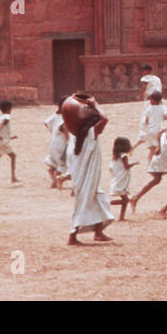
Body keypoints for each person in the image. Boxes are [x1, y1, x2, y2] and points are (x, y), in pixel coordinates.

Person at [66, 98, 114, 243]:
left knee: (100, 200)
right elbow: (105, 119)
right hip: (86, 181)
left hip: (83, 180)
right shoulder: (90, 134)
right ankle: (72, 236)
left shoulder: (76, 138)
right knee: (83, 206)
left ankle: (98, 233)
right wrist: (95, 104)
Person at [132, 104, 167, 210]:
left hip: (163, 157)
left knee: (156, 179)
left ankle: (135, 197)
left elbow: (160, 134)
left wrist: (159, 147)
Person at [0, 99, 19, 183]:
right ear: (8, 109)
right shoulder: (7, 116)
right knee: (13, 156)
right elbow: (2, 123)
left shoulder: (0, 117)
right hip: (1, 141)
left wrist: (10, 137)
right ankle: (13, 177)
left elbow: (3, 128)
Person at [44, 99, 70, 188]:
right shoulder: (65, 117)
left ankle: (53, 177)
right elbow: (65, 127)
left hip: (54, 143)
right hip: (61, 145)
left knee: (54, 162)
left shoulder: (55, 116)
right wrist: (68, 140)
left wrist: (53, 131)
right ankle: (55, 181)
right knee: (62, 164)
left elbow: (46, 123)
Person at [109, 137, 135, 221]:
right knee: (125, 200)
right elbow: (126, 166)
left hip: (118, 180)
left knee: (125, 200)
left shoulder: (116, 156)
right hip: (121, 181)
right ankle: (105, 204)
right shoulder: (124, 156)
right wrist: (134, 164)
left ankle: (121, 217)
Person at [135, 90, 166, 156]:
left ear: (152, 100)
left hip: (150, 130)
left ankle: (150, 164)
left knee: (152, 149)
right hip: (158, 131)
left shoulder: (149, 108)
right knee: (158, 149)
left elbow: (146, 120)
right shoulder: (163, 108)